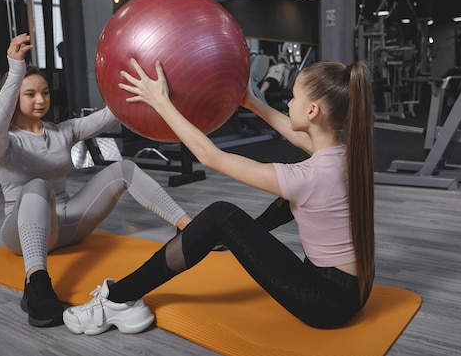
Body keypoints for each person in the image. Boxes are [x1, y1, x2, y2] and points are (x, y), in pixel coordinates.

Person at [62, 56, 376, 335]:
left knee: (219, 215)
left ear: (313, 111)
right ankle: (233, 239)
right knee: (286, 203)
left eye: (293, 98)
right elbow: (296, 133)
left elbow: (210, 156)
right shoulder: (346, 156)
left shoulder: (309, 178)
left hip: (325, 304)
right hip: (354, 290)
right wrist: (251, 101)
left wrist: (161, 103)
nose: (288, 105)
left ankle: (118, 299)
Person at [0, 34, 194, 328]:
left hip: (71, 224)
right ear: (13, 95)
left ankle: (189, 227)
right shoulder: (4, 143)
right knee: (38, 185)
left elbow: (111, 114)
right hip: (21, 235)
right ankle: (37, 283)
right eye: (30, 94)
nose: (41, 100)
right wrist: (16, 71)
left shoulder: (60, 131)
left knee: (124, 167)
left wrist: (143, 85)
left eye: (44, 92)